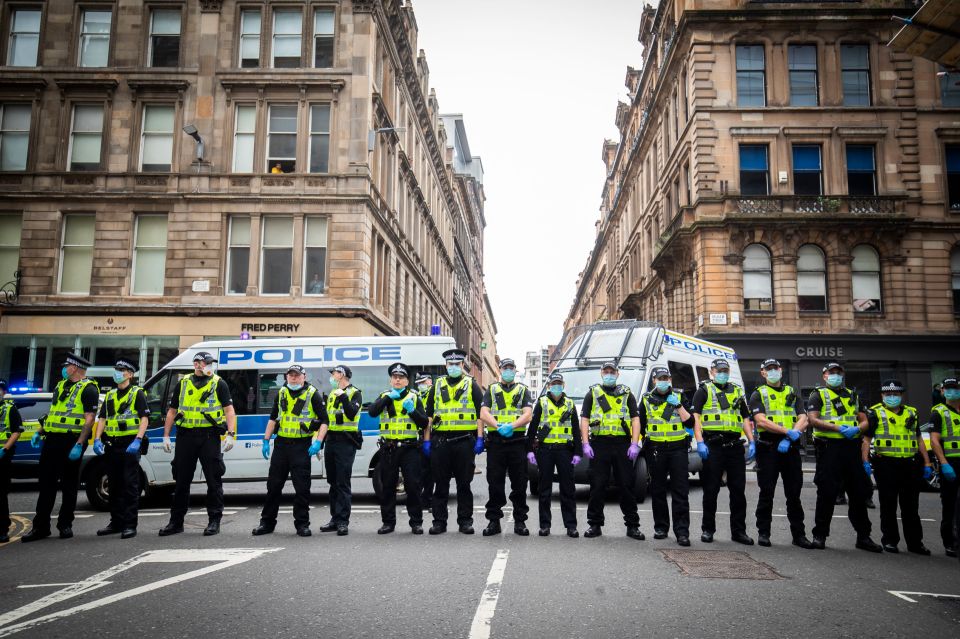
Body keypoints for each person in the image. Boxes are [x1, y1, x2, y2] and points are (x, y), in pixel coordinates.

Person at [23, 353, 98, 543]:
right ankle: (41, 527)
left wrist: (79, 444)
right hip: (52, 441)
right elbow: (53, 413)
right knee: (46, 484)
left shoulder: (89, 388)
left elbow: (89, 420)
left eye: (67, 366)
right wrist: (39, 431)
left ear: (75, 367)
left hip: (71, 441)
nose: (64, 369)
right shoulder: (60, 385)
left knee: (69, 485)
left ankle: (65, 524)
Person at [805, 362, 881, 552]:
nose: (836, 376)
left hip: (851, 448)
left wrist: (857, 428)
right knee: (827, 493)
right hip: (829, 448)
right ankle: (820, 535)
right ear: (824, 376)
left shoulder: (852, 394)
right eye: (832, 373)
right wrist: (838, 428)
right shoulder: (819, 394)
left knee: (858, 493)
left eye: (839, 373)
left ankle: (863, 536)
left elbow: (864, 420)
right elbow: (812, 419)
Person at [159, 352, 236, 537]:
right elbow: (172, 411)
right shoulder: (184, 382)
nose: (209, 366)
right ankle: (176, 522)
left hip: (209, 437)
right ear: (197, 364)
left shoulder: (219, 383)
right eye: (206, 363)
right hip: (186, 436)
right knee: (181, 481)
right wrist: (166, 435)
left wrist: (231, 434)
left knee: (213, 480)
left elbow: (229, 410)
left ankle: (214, 521)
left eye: (210, 363)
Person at [253, 364, 325, 537]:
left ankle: (302, 524)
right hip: (281, 446)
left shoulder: (312, 394)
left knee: (302, 488)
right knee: (273, 486)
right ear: (286, 377)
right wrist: (265, 440)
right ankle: (267, 523)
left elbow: (324, 421)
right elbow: (273, 418)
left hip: (301, 446)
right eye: (290, 375)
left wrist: (318, 442)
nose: (293, 378)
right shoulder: (282, 393)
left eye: (297, 375)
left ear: (304, 377)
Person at [749, 359, 814, 549]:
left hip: (790, 448)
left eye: (775, 368)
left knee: (794, 494)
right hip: (768, 447)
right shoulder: (758, 394)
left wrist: (792, 436)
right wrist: (786, 432)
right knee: (766, 492)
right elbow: (760, 421)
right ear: (763, 373)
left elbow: (804, 417)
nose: (773, 372)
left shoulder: (791, 392)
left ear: (780, 370)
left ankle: (799, 535)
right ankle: (764, 533)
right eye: (769, 369)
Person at [692, 358, 755, 545]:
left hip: (735, 446)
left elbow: (744, 418)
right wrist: (700, 442)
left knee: (738, 492)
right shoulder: (703, 390)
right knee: (710, 490)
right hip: (713, 445)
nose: (722, 373)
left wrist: (752, 441)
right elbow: (696, 417)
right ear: (711, 371)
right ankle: (708, 530)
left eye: (725, 370)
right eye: (719, 370)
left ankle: (739, 531)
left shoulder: (736, 391)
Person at [864, 379, 930, 555]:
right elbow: (866, 440)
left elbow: (918, 439)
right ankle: (890, 541)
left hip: (910, 464)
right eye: (888, 394)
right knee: (888, 504)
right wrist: (864, 461)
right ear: (882, 395)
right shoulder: (875, 413)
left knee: (911, 507)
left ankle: (915, 543)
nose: (892, 397)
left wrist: (927, 462)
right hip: (885, 463)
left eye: (895, 394)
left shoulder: (912, 412)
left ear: (901, 395)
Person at [579, 361, 644, 540]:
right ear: (601, 373)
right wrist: (585, 443)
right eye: (606, 371)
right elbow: (584, 419)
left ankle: (632, 526)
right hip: (599, 444)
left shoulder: (626, 393)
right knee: (598, 486)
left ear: (617, 373)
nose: (609, 374)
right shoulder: (592, 393)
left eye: (612, 371)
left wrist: (634, 443)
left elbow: (635, 419)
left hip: (622, 445)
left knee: (626, 485)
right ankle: (594, 524)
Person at [423, 348, 484, 535]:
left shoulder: (471, 385)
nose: (454, 367)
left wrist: (480, 438)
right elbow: (429, 416)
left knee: (464, 484)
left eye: (457, 364)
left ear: (462, 365)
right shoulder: (437, 385)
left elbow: (481, 414)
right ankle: (439, 522)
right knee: (440, 484)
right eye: (451, 365)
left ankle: (465, 521)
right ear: (445, 365)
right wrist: (427, 440)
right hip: (441, 442)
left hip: (464, 441)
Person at [367, 362, 428, 534]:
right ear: (391, 380)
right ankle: (388, 523)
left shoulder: (415, 398)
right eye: (395, 377)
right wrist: (388, 398)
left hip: (410, 449)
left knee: (413, 487)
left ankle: (416, 522)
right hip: (389, 448)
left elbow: (424, 423)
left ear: (407, 381)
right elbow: (372, 412)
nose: (398, 380)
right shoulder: (385, 395)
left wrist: (413, 411)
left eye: (401, 378)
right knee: (387, 487)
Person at [92, 359, 150, 539]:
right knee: (114, 485)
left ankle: (130, 524)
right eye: (116, 369)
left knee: (130, 486)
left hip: (129, 445)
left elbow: (144, 419)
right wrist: (97, 439)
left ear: (130, 375)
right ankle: (116, 522)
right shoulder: (109, 395)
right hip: (112, 445)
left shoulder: (137, 393)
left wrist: (138, 440)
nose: (118, 372)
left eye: (122, 370)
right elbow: (102, 419)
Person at [639, 366, 693, 546]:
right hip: (655, 450)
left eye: (666, 378)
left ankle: (682, 532)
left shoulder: (679, 395)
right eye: (660, 378)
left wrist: (678, 405)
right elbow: (641, 425)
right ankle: (661, 527)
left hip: (678, 449)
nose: (664, 381)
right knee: (658, 490)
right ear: (654, 380)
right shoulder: (646, 399)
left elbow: (690, 422)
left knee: (680, 491)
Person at [478, 358, 533, 536]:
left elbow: (528, 414)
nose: (508, 371)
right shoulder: (492, 389)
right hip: (496, 443)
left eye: (511, 368)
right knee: (495, 483)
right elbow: (483, 412)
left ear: (515, 371)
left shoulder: (523, 390)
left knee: (519, 483)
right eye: (505, 368)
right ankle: (494, 521)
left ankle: (520, 521)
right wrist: (497, 426)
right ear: (500, 370)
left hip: (517, 442)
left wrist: (512, 426)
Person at [527, 372, 582, 538]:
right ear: (549, 386)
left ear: (563, 385)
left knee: (568, 490)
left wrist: (578, 452)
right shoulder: (542, 402)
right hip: (545, 451)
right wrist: (529, 449)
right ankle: (545, 525)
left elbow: (575, 429)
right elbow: (533, 427)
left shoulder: (570, 404)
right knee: (544, 490)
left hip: (565, 451)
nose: (556, 387)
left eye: (559, 384)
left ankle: (571, 526)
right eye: (553, 384)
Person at [313, 365, 362, 535]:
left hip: (346, 442)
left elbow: (351, 414)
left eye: (334, 374)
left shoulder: (355, 393)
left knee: (342, 482)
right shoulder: (332, 394)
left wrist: (344, 398)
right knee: (333, 482)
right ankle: (334, 519)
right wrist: (319, 442)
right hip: (331, 441)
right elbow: (327, 419)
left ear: (342, 375)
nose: (332, 377)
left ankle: (343, 521)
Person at [928, 376, 960, 557]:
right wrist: (944, 463)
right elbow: (934, 440)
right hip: (951, 463)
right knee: (949, 504)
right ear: (942, 391)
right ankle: (950, 542)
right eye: (948, 388)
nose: (952, 391)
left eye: (955, 387)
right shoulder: (938, 412)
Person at [0, 380, 24, 543]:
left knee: (0, 495)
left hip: (2, 457)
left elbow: (16, 431)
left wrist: (5, 449)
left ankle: (2, 529)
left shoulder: (10, 409)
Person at [415, 372, 434, 510]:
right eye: (419, 383)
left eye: (423, 382)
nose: (421, 385)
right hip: (420, 436)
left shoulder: (433, 394)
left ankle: (428, 499)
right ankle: (422, 498)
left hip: (432, 436)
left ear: (429, 381)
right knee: (421, 470)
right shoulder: (418, 396)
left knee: (431, 471)